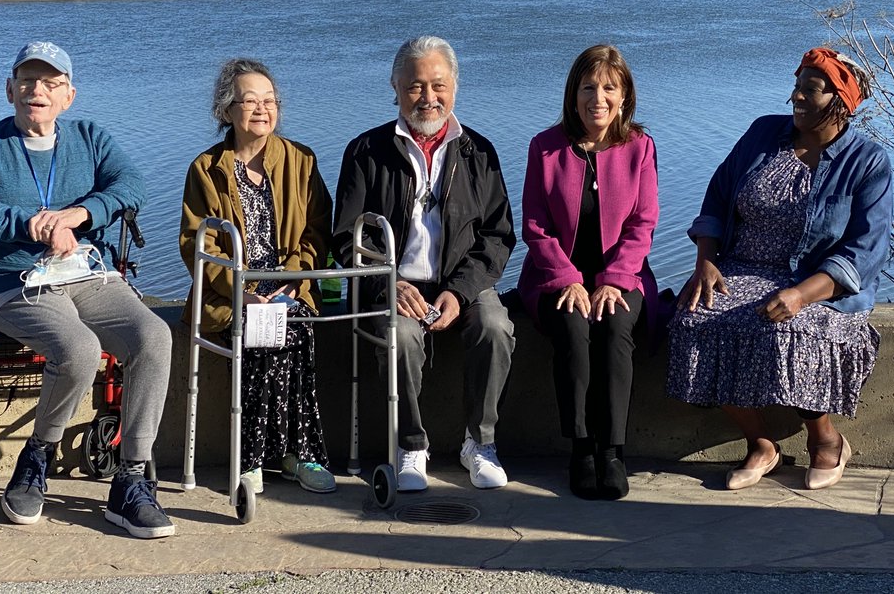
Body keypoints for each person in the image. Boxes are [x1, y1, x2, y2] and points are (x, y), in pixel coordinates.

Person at [0, 42, 174, 538]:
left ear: (69, 95)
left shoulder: (90, 138)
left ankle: (130, 481)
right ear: (9, 89)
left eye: (49, 83)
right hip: (12, 281)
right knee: (80, 348)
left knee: (154, 336)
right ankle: (37, 455)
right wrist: (32, 224)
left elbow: (132, 185)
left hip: (85, 273)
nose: (35, 91)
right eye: (26, 81)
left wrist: (79, 214)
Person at [667, 47, 891, 491]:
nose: (797, 97)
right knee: (694, 320)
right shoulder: (762, 134)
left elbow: (866, 251)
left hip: (819, 284)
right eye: (797, 86)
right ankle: (761, 444)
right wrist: (707, 261)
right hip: (743, 266)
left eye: (811, 90)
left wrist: (801, 294)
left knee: (787, 329)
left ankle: (826, 439)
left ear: (841, 102)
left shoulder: (867, 162)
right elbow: (716, 195)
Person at [333, 35, 516, 492]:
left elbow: (497, 237)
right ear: (395, 87)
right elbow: (345, 238)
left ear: (455, 87)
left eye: (438, 85)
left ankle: (480, 442)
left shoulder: (480, 152)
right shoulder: (365, 152)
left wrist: (460, 291)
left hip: (463, 284)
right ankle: (410, 445)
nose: (428, 98)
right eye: (416, 86)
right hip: (393, 284)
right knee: (400, 337)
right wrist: (388, 282)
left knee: (494, 326)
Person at [180, 58, 336, 494]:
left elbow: (316, 232)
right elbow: (198, 246)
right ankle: (254, 458)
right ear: (226, 111)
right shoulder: (205, 169)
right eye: (249, 101)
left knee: (294, 329)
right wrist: (243, 292)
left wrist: (291, 280)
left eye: (269, 101)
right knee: (262, 330)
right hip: (231, 295)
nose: (261, 109)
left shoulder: (301, 160)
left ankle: (300, 454)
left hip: (290, 287)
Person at [517, 45, 659, 500]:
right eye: (588, 87)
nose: (598, 97)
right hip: (555, 274)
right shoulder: (545, 147)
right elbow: (535, 226)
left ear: (624, 96)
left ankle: (613, 451)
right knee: (573, 326)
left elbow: (644, 222)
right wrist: (568, 279)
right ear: (573, 94)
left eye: (609, 88)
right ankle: (581, 448)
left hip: (625, 274)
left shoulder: (640, 147)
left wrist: (615, 279)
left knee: (617, 325)